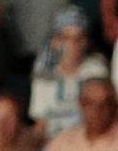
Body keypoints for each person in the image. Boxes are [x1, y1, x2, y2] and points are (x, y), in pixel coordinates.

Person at [28, 9, 103, 139]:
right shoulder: (43, 72)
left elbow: (102, 115)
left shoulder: (96, 69)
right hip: (54, 141)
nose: (74, 44)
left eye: (80, 38)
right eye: (66, 38)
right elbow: (41, 122)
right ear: (55, 42)